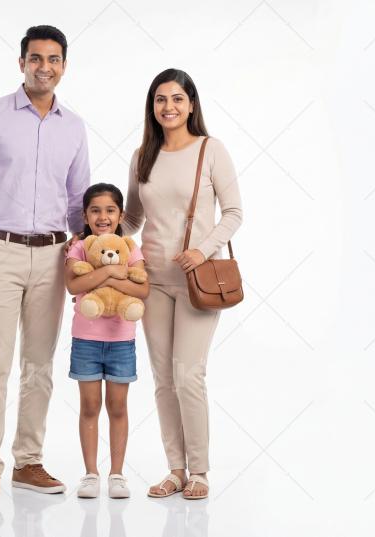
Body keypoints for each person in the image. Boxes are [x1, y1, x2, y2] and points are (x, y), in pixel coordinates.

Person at [0, 25, 90, 502]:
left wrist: (86, 259)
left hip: (53, 253)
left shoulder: (74, 126)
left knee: (40, 364)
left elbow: (77, 202)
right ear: (21, 62)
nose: (44, 67)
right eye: (35, 58)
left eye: (53, 59)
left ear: (64, 65)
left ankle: (29, 462)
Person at [123, 68, 243, 499]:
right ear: (151, 107)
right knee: (162, 378)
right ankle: (175, 469)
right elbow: (133, 219)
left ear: (191, 104)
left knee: (188, 374)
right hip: (152, 281)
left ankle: (201, 472)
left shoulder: (211, 150)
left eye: (177, 98)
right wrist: (98, 230)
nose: (168, 107)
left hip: (198, 282)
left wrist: (203, 250)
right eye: (160, 99)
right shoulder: (142, 156)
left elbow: (233, 213)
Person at [64, 183, 149, 499]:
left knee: (117, 406)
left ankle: (117, 473)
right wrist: (114, 275)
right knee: (89, 406)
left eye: (110, 210)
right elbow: (74, 285)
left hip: (121, 342)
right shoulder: (79, 248)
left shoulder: (130, 247)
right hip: (86, 339)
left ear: (121, 214)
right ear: (85, 214)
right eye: (95, 210)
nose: (102, 216)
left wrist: (101, 277)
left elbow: (142, 290)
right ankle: (90, 473)